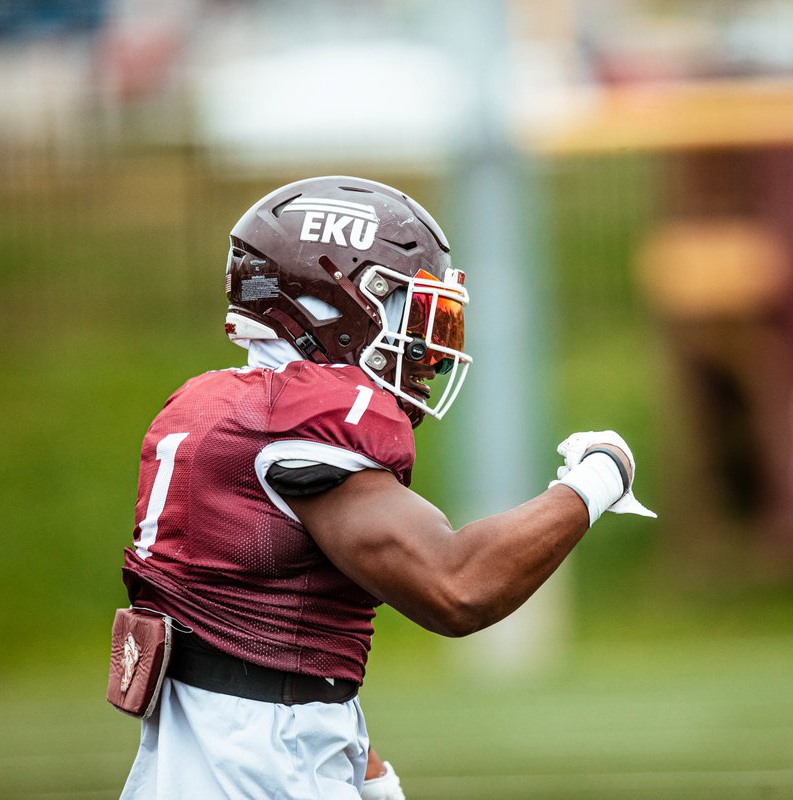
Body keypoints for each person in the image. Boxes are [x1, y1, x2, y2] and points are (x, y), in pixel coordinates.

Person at [115, 175, 655, 799]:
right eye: (415, 312)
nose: (430, 351)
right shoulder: (293, 421)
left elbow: (276, 652)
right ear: (332, 303)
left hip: (217, 757)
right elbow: (457, 586)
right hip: (260, 770)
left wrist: (366, 771)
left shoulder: (222, 409)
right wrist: (596, 478)